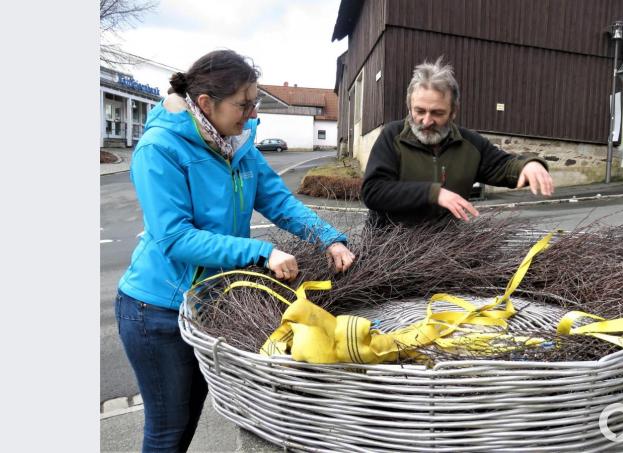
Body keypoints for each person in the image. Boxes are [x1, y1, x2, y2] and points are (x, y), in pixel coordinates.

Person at [115, 49, 355, 452]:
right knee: (166, 430)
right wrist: (260, 252)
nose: (251, 112)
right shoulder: (160, 149)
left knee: (187, 418)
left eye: (255, 101)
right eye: (243, 104)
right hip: (154, 310)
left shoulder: (237, 145)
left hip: (206, 305)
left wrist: (330, 238)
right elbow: (174, 238)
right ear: (206, 104)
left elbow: (280, 202)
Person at [361, 57, 554, 227]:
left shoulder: (469, 144)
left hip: (446, 251)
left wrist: (529, 165)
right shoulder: (392, 136)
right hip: (391, 251)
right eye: (419, 111)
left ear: (453, 111)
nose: (427, 121)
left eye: (437, 113)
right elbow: (373, 191)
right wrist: (434, 194)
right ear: (409, 106)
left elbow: (503, 165)